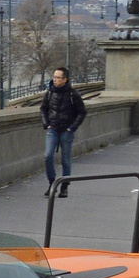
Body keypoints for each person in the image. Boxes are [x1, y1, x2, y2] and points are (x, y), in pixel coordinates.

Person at [39, 67, 86, 197]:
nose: (55, 80)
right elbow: (43, 109)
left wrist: (72, 128)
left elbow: (82, 112)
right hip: (53, 129)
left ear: (65, 79)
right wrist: (46, 124)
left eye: (58, 77)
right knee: (48, 156)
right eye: (54, 77)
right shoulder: (49, 93)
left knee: (65, 160)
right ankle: (52, 184)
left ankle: (64, 186)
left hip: (66, 130)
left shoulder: (73, 94)